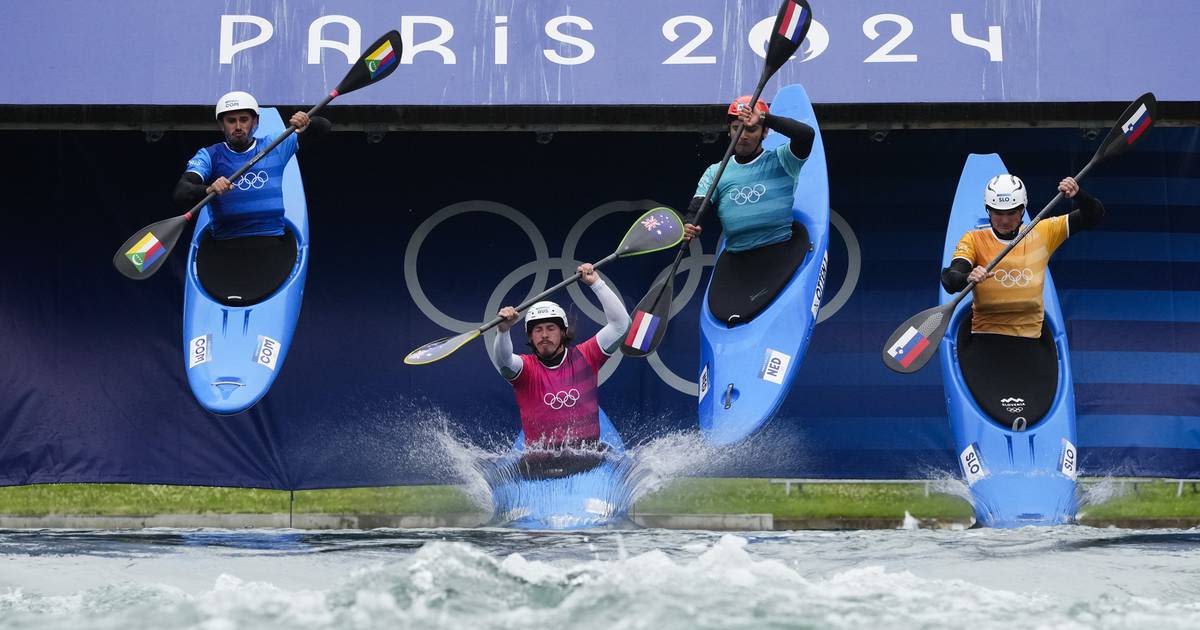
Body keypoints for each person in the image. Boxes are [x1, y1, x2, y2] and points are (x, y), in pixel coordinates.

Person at [171, 91, 331, 305]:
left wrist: (307, 123)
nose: (238, 126)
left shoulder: (275, 144)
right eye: (231, 121)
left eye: (244, 119)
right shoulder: (209, 155)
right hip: (225, 248)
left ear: (255, 122)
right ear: (221, 125)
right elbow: (181, 192)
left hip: (272, 243)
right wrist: (208, 189)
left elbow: (324, 127)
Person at [491, 263, 630, 479]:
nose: (544, 335)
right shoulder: (525, 369)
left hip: (588, 462)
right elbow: (503, 362)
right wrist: (503, 331)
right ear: (530, 337)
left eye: (550, 328)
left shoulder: (586, 356)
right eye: (537, 330)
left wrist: (596, 283)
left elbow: (621, 325)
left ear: (563, 332)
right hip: (538, 468)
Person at [941, 175, 1105, 337]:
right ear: (988, 210)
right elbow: (950, 279)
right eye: (997, 213)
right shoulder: (973, 239)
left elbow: (1094, 215)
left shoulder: (1043, 232)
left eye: (1012, 213)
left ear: (1023, 209)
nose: (1005, 221)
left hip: (1031, 335)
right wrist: (968, 277)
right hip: (986, 334)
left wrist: (1079, 195)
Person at [683, 95, 816, 251]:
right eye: (736, 128)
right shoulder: (715, 171)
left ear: (765, 132)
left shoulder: (784, 160)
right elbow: (696, 209)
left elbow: (806, 135)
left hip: (780, 252)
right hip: (736, 257)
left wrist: (763, 117)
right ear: (729, 130)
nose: (743, 136)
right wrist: (690, 225)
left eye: (751, 129)